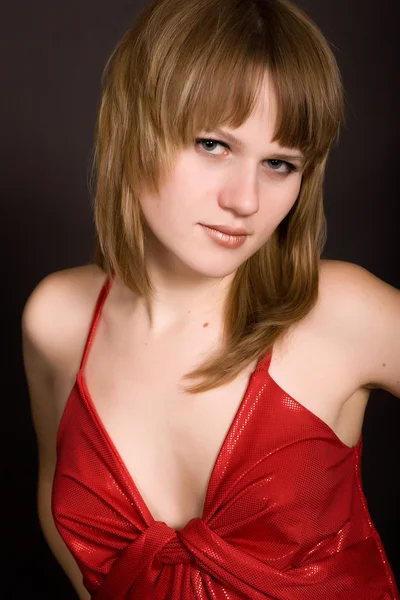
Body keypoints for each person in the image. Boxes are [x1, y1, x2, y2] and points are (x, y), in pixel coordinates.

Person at [22, 0, 400, 598]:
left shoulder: (340, 314)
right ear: (134, 127)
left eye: (279, 163)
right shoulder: (55, 319)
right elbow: (54, 500)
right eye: (212, 145)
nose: (245, 200)